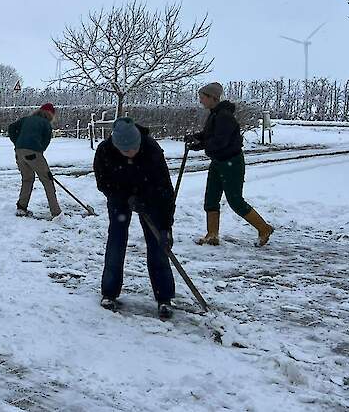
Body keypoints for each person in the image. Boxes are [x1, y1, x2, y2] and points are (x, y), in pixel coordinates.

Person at [93, 118, 176, 319]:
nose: (132, 152)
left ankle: (164, 297)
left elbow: (165, 190)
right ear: (116, 145)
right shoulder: (105, 151)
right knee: (116, 241)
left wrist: (166, 227)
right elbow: (103, 182)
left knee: (158, 245)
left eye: (135, 148)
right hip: (119, 199)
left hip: (150, 199)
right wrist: (125, 196)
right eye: (126, 150)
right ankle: (109, 292)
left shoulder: (151, 150)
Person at [186, 82, 274, 247]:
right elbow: (208, 135)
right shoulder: (214, 114)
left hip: (231, 162)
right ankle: (212, 235)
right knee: (211, 198)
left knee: (235, 201)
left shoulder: (224, 116)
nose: (200, 101)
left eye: (202, 97)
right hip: (218, 161)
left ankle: (264, 228)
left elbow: (220, 141)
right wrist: (195, 140)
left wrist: (202, 144)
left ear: (212, 98)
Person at [8, 103, 61, 219]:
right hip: (34, 152)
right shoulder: (46, 124)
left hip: (18, 152)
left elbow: (11, 128)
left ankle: (21, 208)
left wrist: (17, 142)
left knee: (27, 179)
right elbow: (45, 142)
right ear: (51, 114)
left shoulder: (26, 119)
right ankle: (56, 212)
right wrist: (37, 150)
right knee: (47, 180)